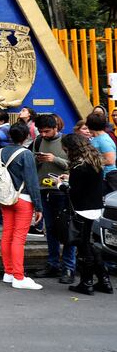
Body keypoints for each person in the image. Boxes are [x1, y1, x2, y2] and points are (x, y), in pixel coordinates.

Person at [59, 134, 111, 295]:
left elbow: (75, 192)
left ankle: (87, 281)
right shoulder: (94, 161)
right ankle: (104, 280)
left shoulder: (78, 167)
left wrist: (61, 185)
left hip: (81, 209)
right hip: (95, 207)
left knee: (83, 246)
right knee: (88, 243)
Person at [0, 123, 44, 290]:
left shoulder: (0, 152)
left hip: (5, 197)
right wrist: (39, 206)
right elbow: (32, 181)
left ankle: (8, 272)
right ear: (26, 137)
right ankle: (19, 276)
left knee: (7, 234)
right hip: (23, 198)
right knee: (19, 238)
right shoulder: (26, 154)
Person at [31, 114, 76, 284]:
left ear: (56, 128)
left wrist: (54, 159)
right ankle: (53, 265)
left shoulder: (67, 142)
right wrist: (38, 160)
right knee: (50, 230)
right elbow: (33, 166)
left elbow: (75, 164)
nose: (43, 134)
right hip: (43, 191)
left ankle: (68, 268)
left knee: (67, 230)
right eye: (41, 131)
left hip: (63, 192)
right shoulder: (37, 142)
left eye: (47, 131)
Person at [86, 113, 117, 192]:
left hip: (106, 179)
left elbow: (110, 160)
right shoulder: (97, 138)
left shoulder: (103, 140)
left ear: (90, 125)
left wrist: (90, 162)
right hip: (99, 177)